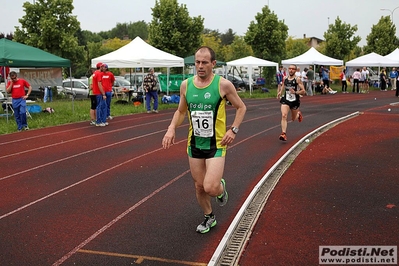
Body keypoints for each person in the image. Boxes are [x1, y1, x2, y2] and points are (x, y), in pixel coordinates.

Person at [162, 46, 246, 234]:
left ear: (213, 64)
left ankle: (221, 189)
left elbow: (241, 107)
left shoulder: (223, 85)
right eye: (197, 62)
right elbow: (181, 111)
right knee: (200, 186)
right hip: (195, 144)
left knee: (211, 187)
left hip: (216, 144)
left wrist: (233, 130)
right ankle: (209, 217)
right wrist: (171, 128)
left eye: (204, 62)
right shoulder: (186, 85)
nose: (199, 66)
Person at [277, 64, 305, 141]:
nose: (291, 70)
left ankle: (298, 114)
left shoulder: (297, 79)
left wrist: (295, 92)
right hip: (286, 99)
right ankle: (283, 134)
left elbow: (303, 91)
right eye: (290, 68)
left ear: (295, 71)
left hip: (295, 101)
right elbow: (283, 85)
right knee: (284, 115)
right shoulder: (285, 78)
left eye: (293, 69)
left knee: (293, 119)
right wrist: (280, 92)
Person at [92, 62, 107, 126]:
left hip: (96, 92)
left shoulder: (95, 73)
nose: (105, 68)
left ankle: (102, 120)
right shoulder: (99, 74)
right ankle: (99, 121)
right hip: (99, 92)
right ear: (100, 67)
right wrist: (103, 94)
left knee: (102, 106)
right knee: (100, 106)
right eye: (103, 67)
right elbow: (99, 84)